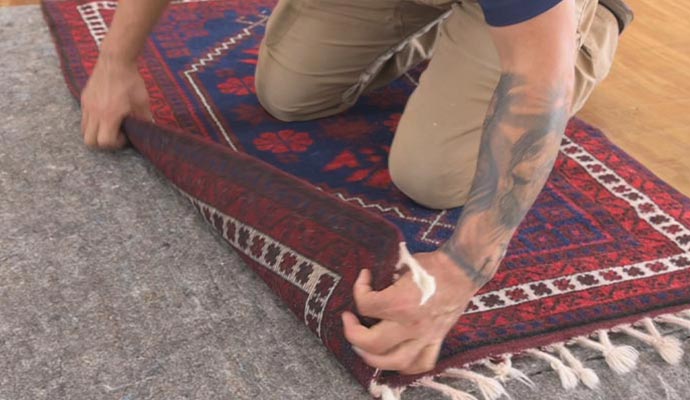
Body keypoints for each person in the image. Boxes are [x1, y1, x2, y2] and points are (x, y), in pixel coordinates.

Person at [80, 0, 633, 375]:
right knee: (288, 92)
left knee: (433, 173)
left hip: (544, 23)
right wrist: (115, 63)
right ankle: (467, 33)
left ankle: (585, 26)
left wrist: (466, 267)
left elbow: (539, 79)